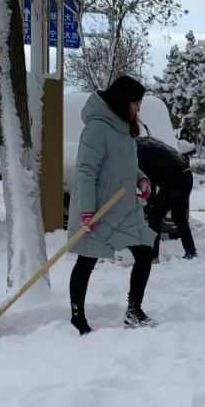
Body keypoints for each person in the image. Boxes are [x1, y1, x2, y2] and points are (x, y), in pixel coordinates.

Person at [68, 75, 157, 334]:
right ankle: (77, 316)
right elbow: (86, 171)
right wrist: (86, 211)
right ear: (123, 100)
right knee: (87, 261)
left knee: (144, 252)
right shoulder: (97, 127)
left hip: (124, 209)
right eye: (136, 102)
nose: (139, 108)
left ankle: (134, 309)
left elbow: (125, 164)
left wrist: (142, 180)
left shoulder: (123, 126)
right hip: (98, 210)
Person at [136, 135, 197, 261]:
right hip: (186, 175)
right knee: (179, 217)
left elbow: (147, 180)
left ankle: (152, 256)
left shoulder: (138, 151)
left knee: (155, 216)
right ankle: (190, 251)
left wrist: (149, 204)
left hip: (174, 179)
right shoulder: (149, 142)